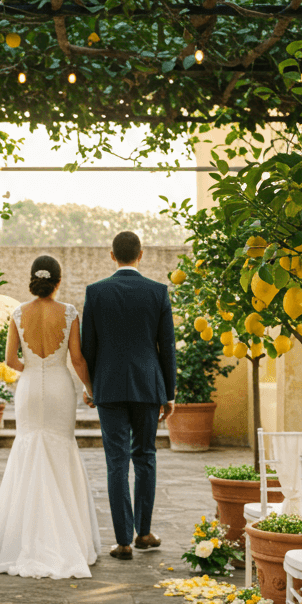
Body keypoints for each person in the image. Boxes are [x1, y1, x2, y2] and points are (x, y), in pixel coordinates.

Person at [0, 254, 101, 579]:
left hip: (30, 389)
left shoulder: (19, 313)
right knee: (61, 450)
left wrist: (32, 370)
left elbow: (10, 359)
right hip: (61, 390)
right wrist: (90, 389)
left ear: (33, 281)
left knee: (28, 449)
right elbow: (77, 360)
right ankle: (69, 540)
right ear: (58, 281)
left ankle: (21, 539)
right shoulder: (69, 313)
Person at [80, 231, 176, 561]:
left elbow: (87, 347)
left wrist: (91, 387)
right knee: (145, 456)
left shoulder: (95, 292)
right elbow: (168, 348)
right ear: (141, 254)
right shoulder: (158, 292)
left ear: (112, 255)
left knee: (116, 461)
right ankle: (144, 533)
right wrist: (170, 393)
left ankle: (122, 542)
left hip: (108, 387)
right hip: (148, 387)